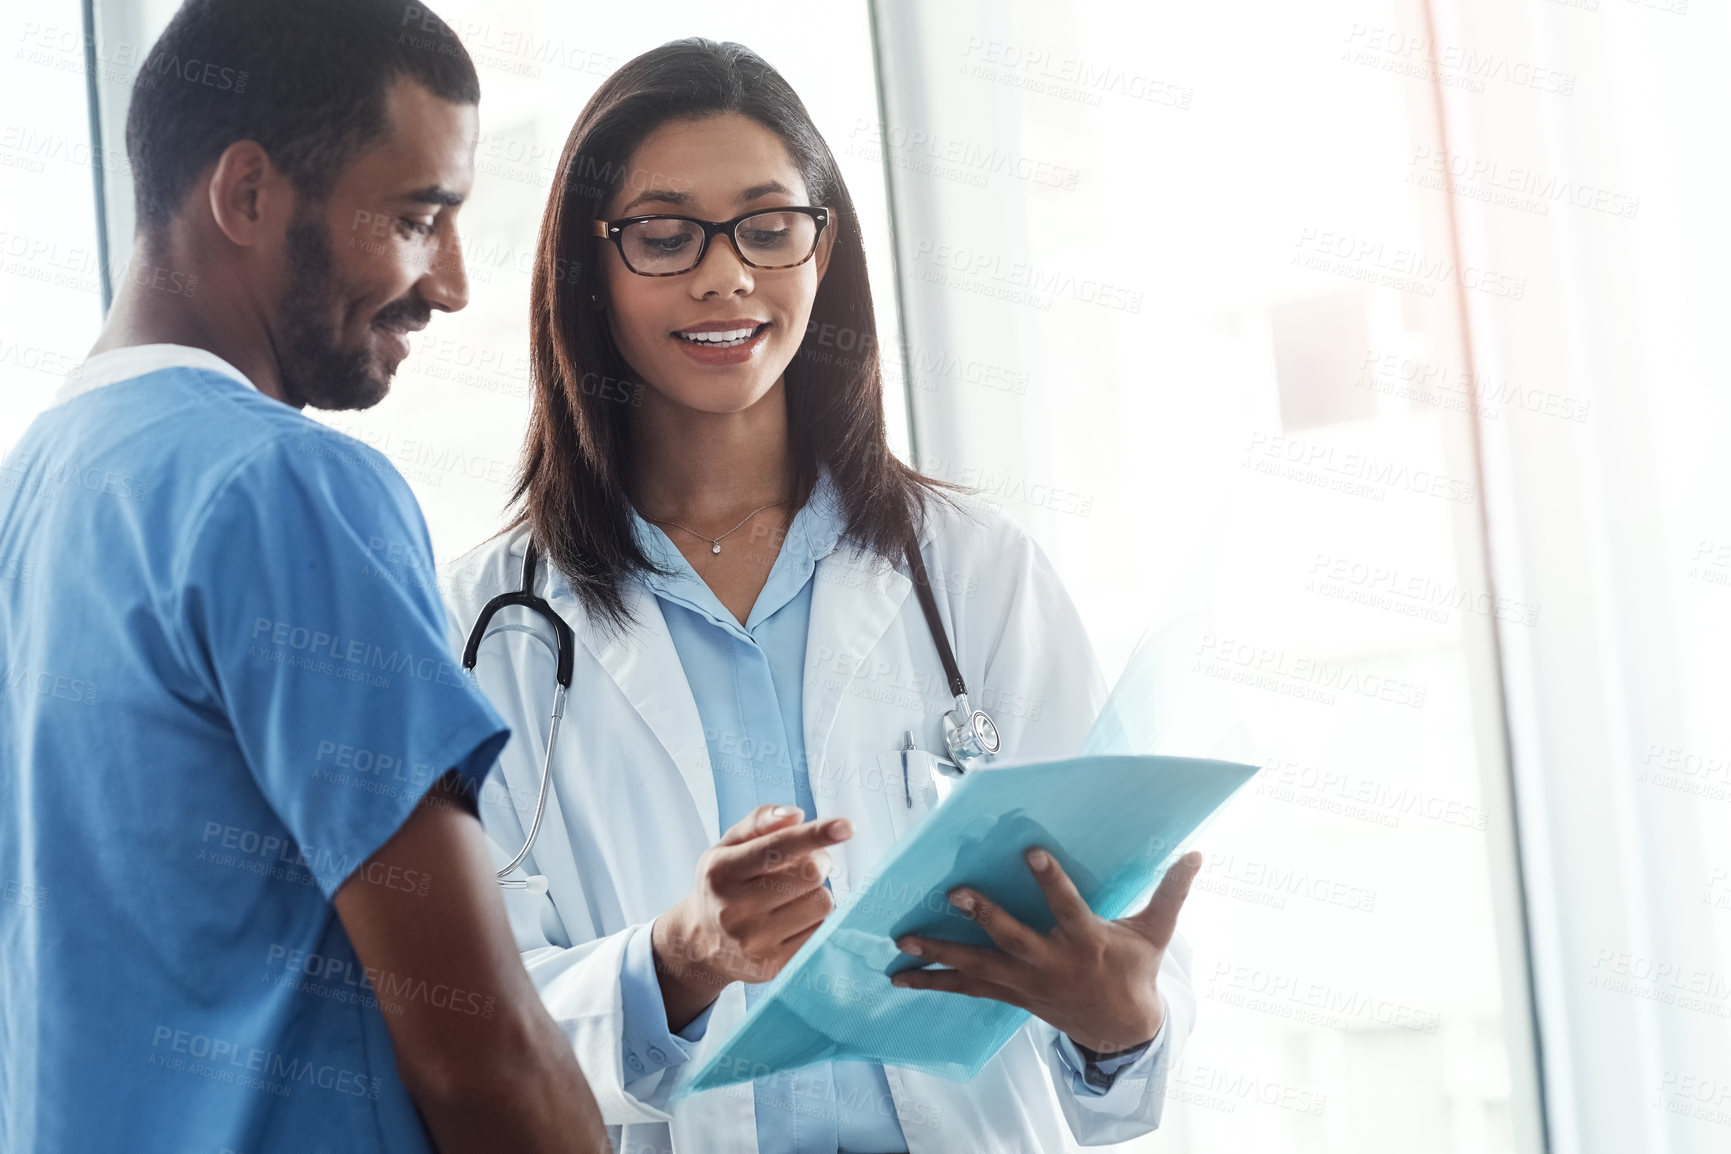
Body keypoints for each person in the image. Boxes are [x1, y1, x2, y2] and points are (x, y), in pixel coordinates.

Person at [444, 37, 1201, 1153]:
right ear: (585, 271)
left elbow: (1120, 1044)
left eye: (767, 227)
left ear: (821, 246)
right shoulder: (491, 624)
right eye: (664, 235)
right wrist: (679, 958)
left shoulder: (976, 576)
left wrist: (1120, 1022)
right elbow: (474, 1035)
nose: (725, 276)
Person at [0, 2, 607, 1151]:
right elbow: (482, 1055)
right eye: (420, 218)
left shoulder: (33, 493)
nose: (455, 284)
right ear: (247, 196)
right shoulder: (285, 487)